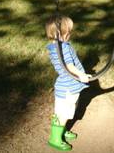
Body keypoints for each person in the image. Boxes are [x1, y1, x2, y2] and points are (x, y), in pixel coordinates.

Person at [45, 15, 91, 151]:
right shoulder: (63, 47)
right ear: (60, 33)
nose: (70, 34)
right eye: (69, 32)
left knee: (65, 112)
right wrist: (81, 75)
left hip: (67, 86)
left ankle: (62, 131)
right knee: (63, 114)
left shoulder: (55, 46)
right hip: (67, 88)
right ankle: (55, 138)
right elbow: (69, 66)